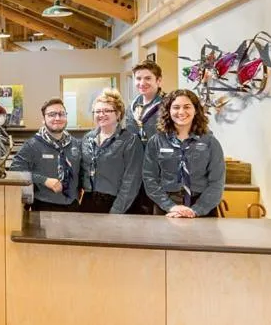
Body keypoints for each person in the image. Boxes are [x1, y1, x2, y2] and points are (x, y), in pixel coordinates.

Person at [142, 89, 226, 218]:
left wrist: (197, 210)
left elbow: (216, 182)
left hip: (202, 206)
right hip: (166, 207)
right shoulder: (156, 141)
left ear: (196, 110)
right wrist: (171, 206)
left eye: (187, 107)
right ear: (168, 111)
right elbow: (150, 178)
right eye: (176, 107)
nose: (181, 112)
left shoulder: (210, 142)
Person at [10, 98, 82, 211]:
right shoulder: (32, 145)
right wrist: (44, 180)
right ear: (43, 119)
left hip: (73, 206)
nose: (57, 118)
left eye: (61, 114)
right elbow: (15, 171)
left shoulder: (76, 144)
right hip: (44, 206)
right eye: (52, 114)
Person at [79, 89, 143, 214]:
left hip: (118, 204)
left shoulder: (130, 141)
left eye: (107, 110)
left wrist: (116, 211)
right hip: (89, 202)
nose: (101, 114)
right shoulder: (87, 138)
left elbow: (131, 181)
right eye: (97, 111)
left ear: (118, 114)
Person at [124, 60, 165, 214]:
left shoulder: (168, 105)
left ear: (158, 80)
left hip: (159, 171)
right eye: (138, 78)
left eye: (148, 78)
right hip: (136, 169)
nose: (142, 82)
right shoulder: (132, 107)